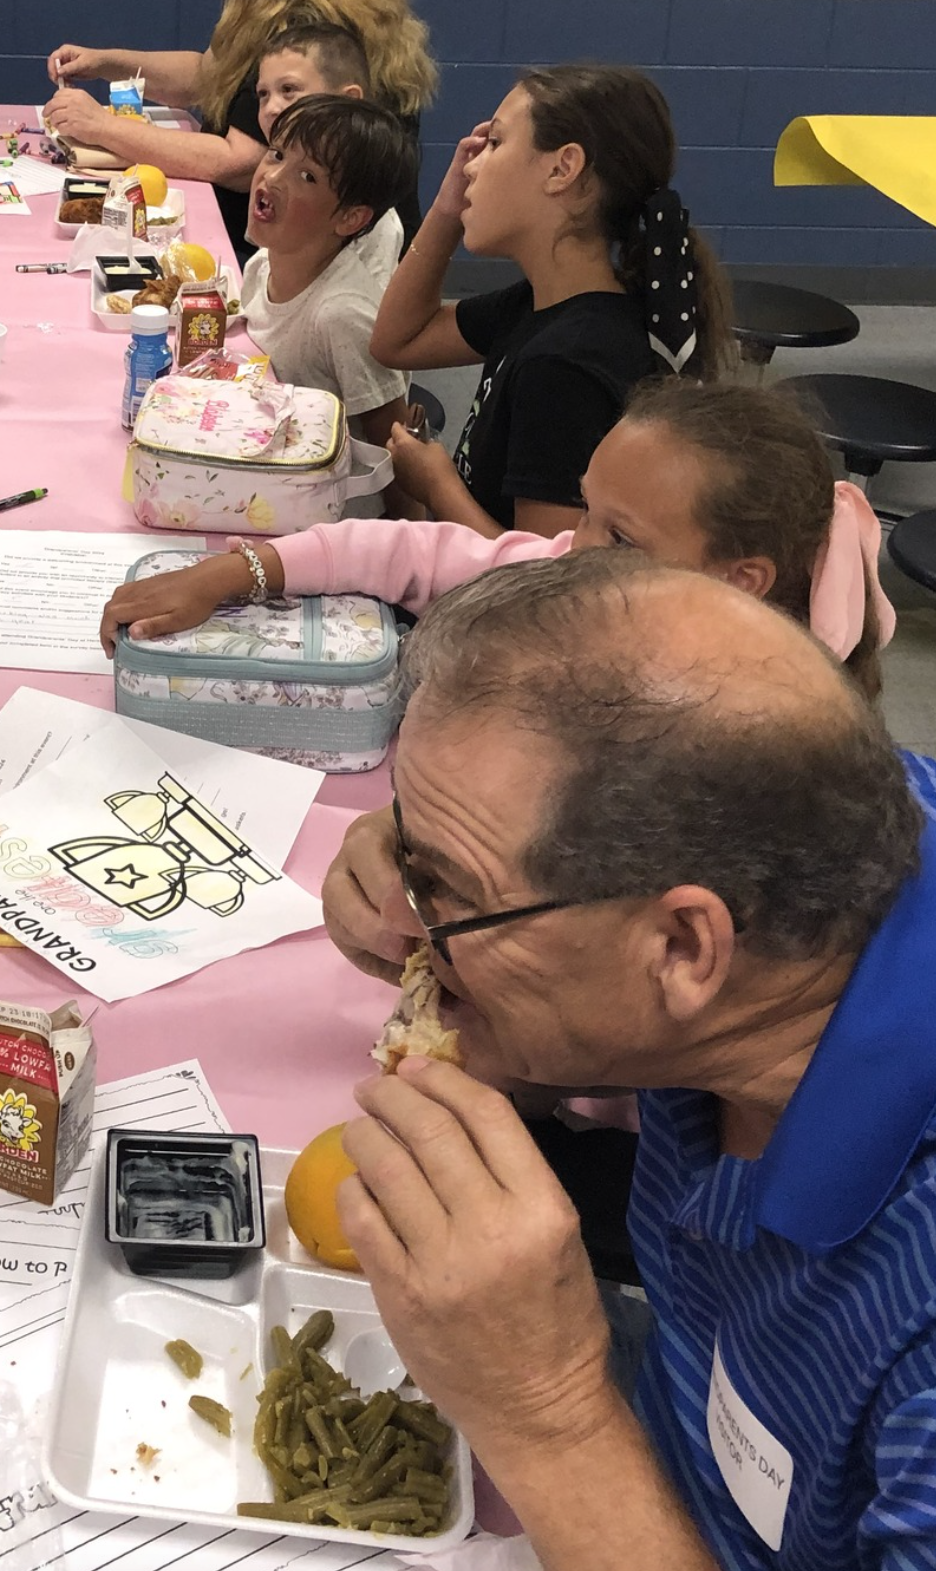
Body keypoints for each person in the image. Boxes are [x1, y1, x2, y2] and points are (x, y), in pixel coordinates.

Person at [321, 549, 933, 1571]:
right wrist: (420, 843)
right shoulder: (840, 829)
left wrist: (549, 1412)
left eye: (445, 889)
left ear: (685, 948)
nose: (405, 921)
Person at [100, 377, 890, 697]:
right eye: (585, 510)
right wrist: (248, 568)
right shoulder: (574, 573)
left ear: (741, 579)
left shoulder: (755, 734)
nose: (576, 547)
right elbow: (411, 554)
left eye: (619, 537)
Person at [370, 64, 735, 538]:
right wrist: (446, 210)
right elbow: (395, 343)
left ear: (563, 169)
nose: (470, 165)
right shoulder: (539, 305)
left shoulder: (566, 365)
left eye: (496, 143)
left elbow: (546, 580)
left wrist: (439, 488)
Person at [44, 0, 436, 266]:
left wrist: (102, 126)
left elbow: (239, 162)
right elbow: (208, 76)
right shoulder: (281, 7)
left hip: (338, 260)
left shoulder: (308, 30)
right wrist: (108, 63)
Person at [237, 94, 414, 457]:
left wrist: (405, 515)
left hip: (329, 502)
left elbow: (397, 453)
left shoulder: (342, 316)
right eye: (277, 154)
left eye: (308, 176)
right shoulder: (262, 264)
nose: (272, 177)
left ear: (350, 218)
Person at [254, 21, 422, 244]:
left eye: (288, 90)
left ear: (347, 99)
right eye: (263, 94)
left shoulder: (374, 230)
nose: (271, 109)